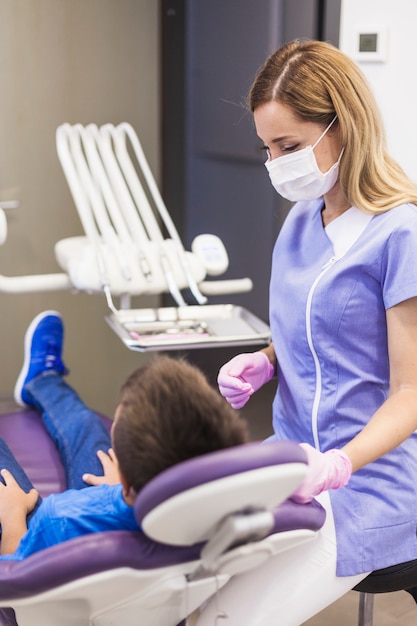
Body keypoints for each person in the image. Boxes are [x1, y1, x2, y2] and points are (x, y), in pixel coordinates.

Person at [196, 39, 417, 625]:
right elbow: (323, 327)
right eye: (268, 148)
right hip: (293, 458)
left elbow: (409, 393)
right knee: (195, 583)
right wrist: (266, 359)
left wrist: (341, 464)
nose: (276, 164)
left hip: (371, 477)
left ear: (342, 127)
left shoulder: (401, 234)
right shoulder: (302, 217)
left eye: (289, 146)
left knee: (234, 618)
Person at [0, 310, 249, 560]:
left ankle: (46, 381)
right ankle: (44, 380)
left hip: (45, 548)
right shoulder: (218, 521)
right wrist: (122, 491)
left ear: (128, 485)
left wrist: (13, 516)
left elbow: (14, 578)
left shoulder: (55, 518)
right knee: (87, 427)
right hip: (129, 525)